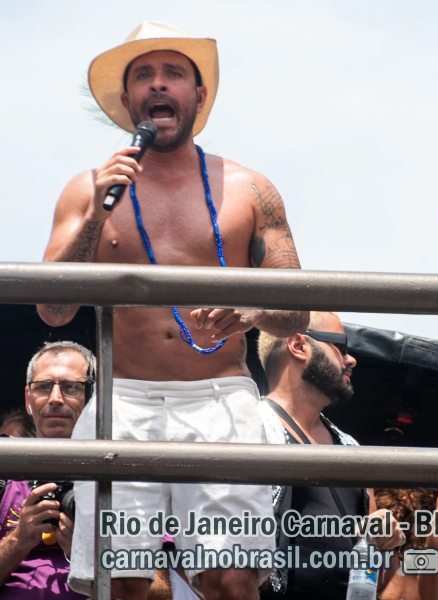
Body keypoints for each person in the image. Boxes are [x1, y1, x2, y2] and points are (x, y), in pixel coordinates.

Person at [36, 22, 309, 600]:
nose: (159, 85)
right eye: (144, 75)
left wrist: (253, 306)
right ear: (127, 99)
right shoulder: (87, 188)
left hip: (220, 402)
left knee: (231, 580)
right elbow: (53, 309)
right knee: (126, 583)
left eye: (174, 73)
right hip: (123, 402)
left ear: (198, 96)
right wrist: (95, 217)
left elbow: (297, 311)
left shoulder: (249, 188)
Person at [257, 311, 405, 599]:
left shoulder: (351, 449)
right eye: (341, 347)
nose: (351, 360)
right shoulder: (250, 430)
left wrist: (387, 542)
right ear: (298, 346)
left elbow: (376, 580)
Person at [0, 341, 95, 599]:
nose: (55, 399)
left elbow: (162, 591)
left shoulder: (121, 472)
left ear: (94, 397)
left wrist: (89, 556)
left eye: (71, 387)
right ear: (28, 400)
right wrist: (18, 540)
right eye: (43, 387)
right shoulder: (4, 471)